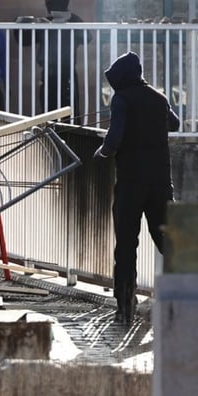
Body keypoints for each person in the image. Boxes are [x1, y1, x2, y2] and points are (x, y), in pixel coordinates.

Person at [94, 51, 180, 325]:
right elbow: (174, 124)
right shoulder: (159, 97)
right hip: (160, 184)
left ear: (121, 78)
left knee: (127, 246)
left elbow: (114, 138)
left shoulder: (122, 99)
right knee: (170, 244)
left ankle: (126, 308)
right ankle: (182, 303)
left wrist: (102, 153)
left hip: (131, 184)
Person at [15, 0, 85, 121]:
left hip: (67, 75)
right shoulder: (46, 23)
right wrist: (21, 24)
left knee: (70, 114)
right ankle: (51, 141)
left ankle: (72, 141)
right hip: (48, 75)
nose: (48, 6)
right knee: (49, 112)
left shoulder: (73, 21)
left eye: (50, 2)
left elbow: (87, 38)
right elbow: (24, 40)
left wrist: (68, 22)